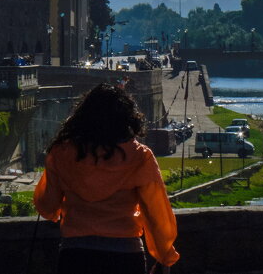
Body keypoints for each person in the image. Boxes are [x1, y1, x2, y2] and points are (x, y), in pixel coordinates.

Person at [34, 83, 180, 273]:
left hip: (76, 253)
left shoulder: (62, 152)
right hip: (125, 254)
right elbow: (156, 213)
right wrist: (164, 256)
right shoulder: (139, 155)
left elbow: (48, 206)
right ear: (127, 118)